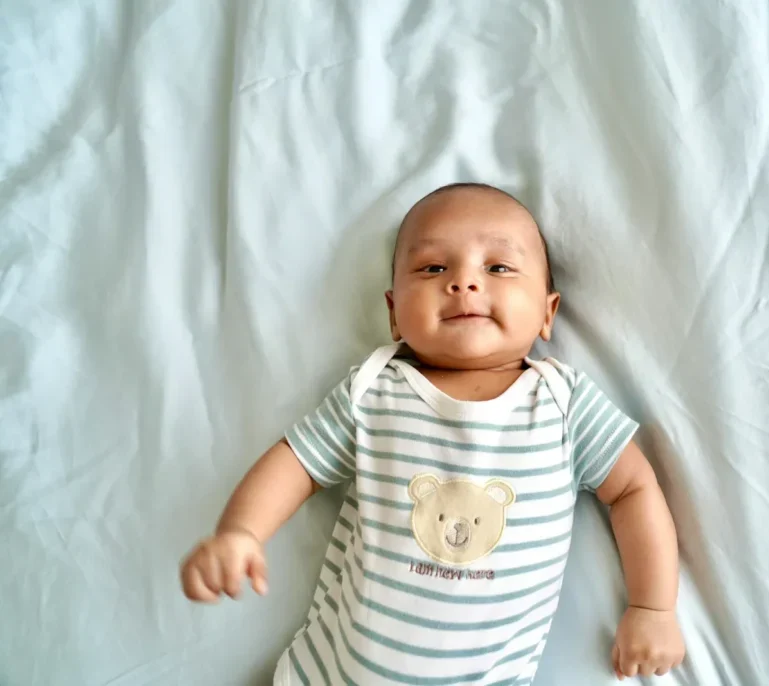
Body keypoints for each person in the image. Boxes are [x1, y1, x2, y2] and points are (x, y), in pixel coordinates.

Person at [180, 183, 686, 684]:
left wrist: (653, 607)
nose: (464, 282)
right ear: (394, 313)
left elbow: (633, 488)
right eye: (433, 268)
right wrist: (241, 531)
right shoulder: (373, 391)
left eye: (498, 267)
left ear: (547, 313)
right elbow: (296, 463)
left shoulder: (564, 404)